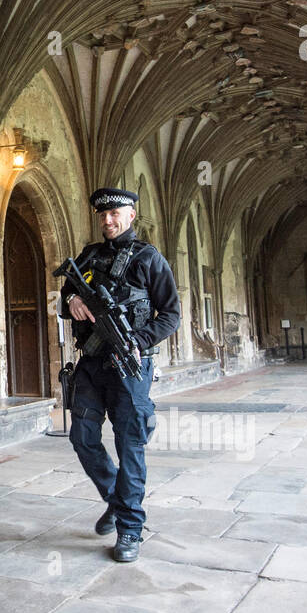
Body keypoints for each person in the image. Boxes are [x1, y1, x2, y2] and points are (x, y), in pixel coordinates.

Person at [61, 187, 180, 562]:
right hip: (92, 365)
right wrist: (72, 300)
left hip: (130, 366)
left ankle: (129, 528)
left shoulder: (149, 258)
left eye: (116, 214)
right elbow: (66, 294)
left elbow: (171, 315)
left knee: (130, 446)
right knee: (81, 436)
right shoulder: (89, 256)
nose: (108, 221)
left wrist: (138, 340)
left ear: (131, 216)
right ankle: (116, 496)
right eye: (103, 215)